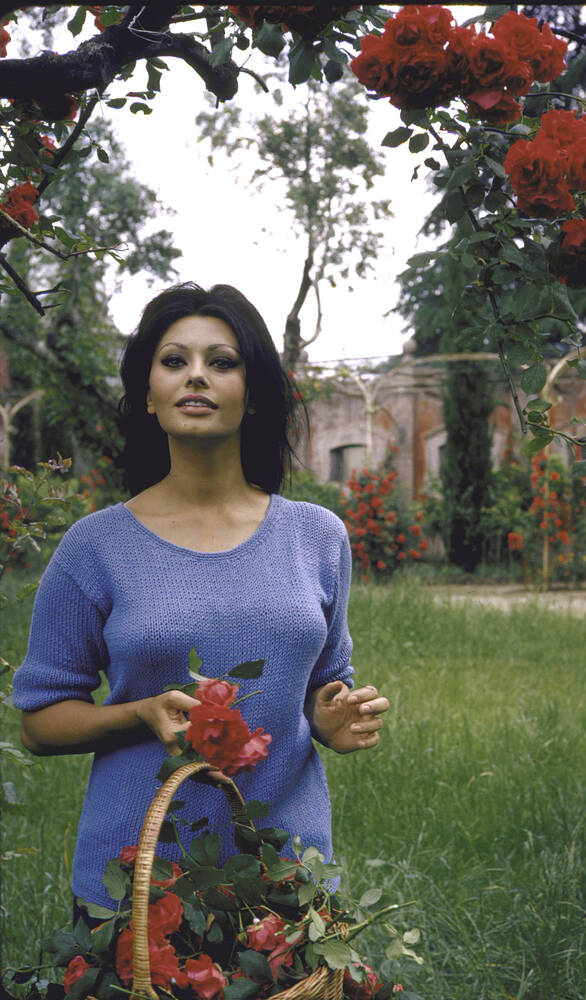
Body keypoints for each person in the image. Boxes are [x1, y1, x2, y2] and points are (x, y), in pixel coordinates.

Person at [13, 282, 389, 919]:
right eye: (173, 360)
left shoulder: (317, 536)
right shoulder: (95, 548)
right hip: (137, 884)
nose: (197, 376)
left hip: (284, 875)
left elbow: (323, 689)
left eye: (222, 361)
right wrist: (138, 713)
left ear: (254, 393)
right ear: (148, 397)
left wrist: (331, 721)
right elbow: (40, 725)